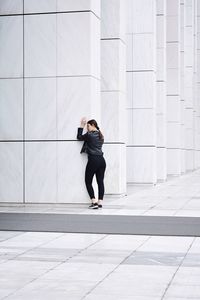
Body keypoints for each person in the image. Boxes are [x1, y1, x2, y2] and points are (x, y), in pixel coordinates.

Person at [77, 118, 106, 209]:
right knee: (100, 181)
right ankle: (100, 202)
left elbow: (79, 137)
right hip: (102, 160)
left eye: (88, 126)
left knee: (88, 181)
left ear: (93, 125)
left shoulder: (89, 135)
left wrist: (81, 126)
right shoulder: (101, 135)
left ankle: (94, 202)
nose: (87, 128)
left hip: (93, 160)